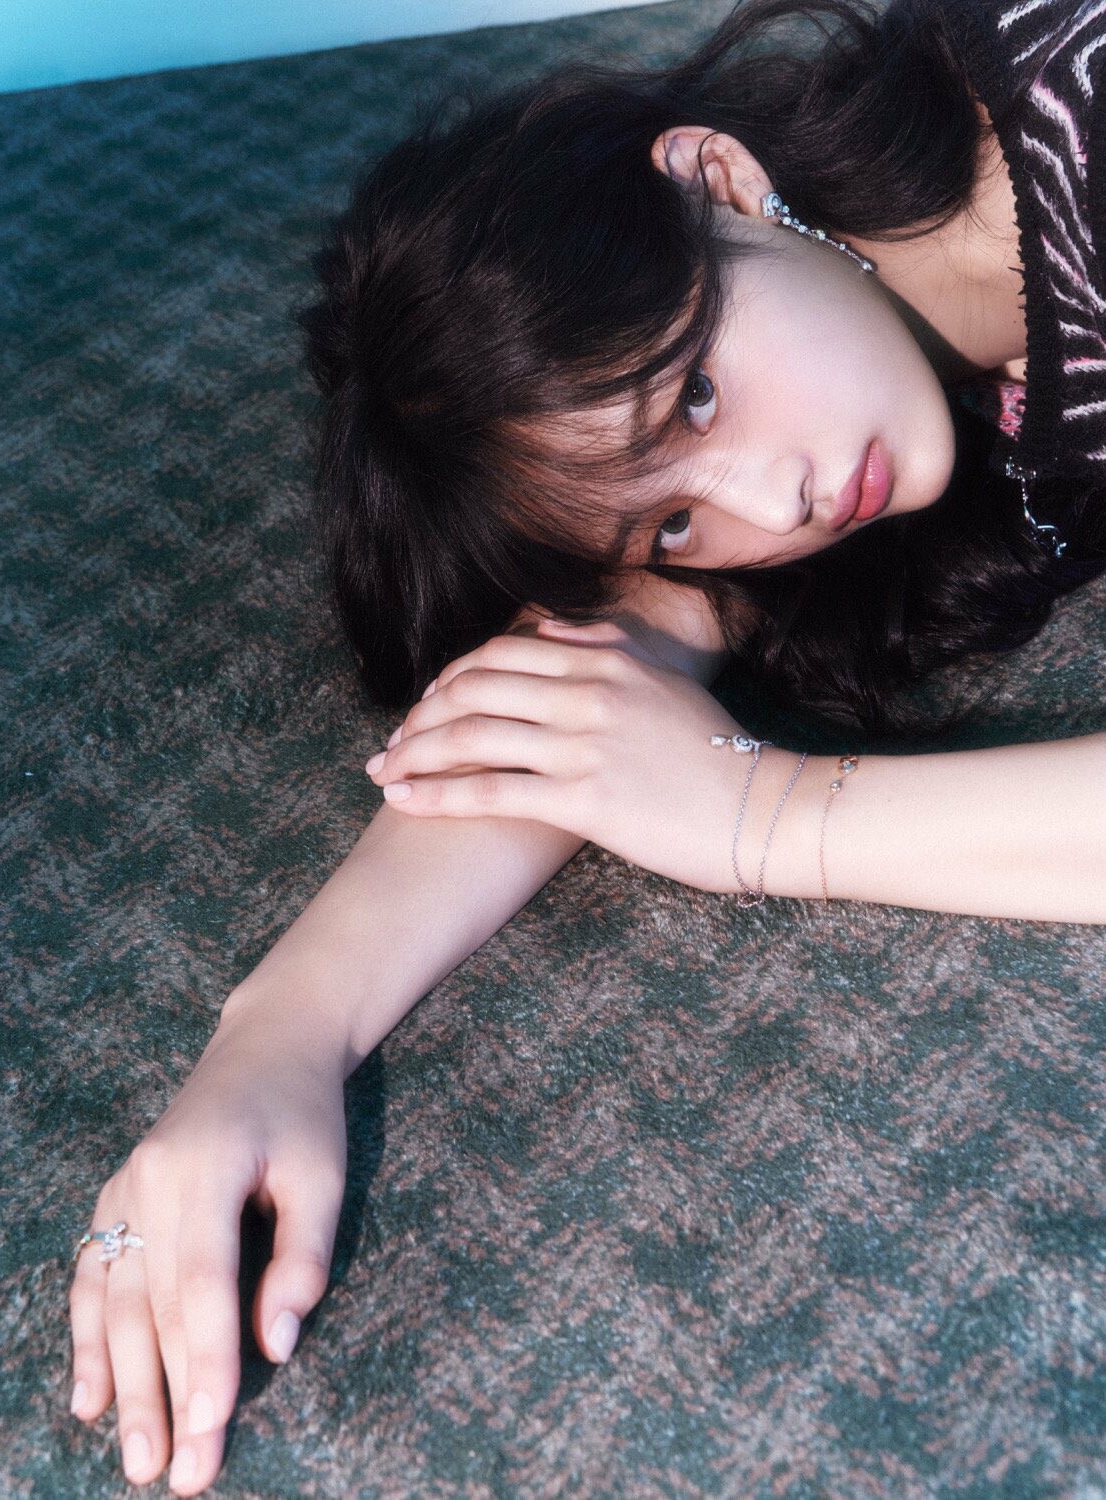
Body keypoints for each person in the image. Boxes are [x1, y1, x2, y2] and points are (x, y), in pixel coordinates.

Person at [69, 0, 1106, 1491]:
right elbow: (579, 685)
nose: (775, 501)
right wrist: (274, 1038)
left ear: (717, 179)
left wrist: (766, 818)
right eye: (673, 520)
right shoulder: (873, 349)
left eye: (695, 393)